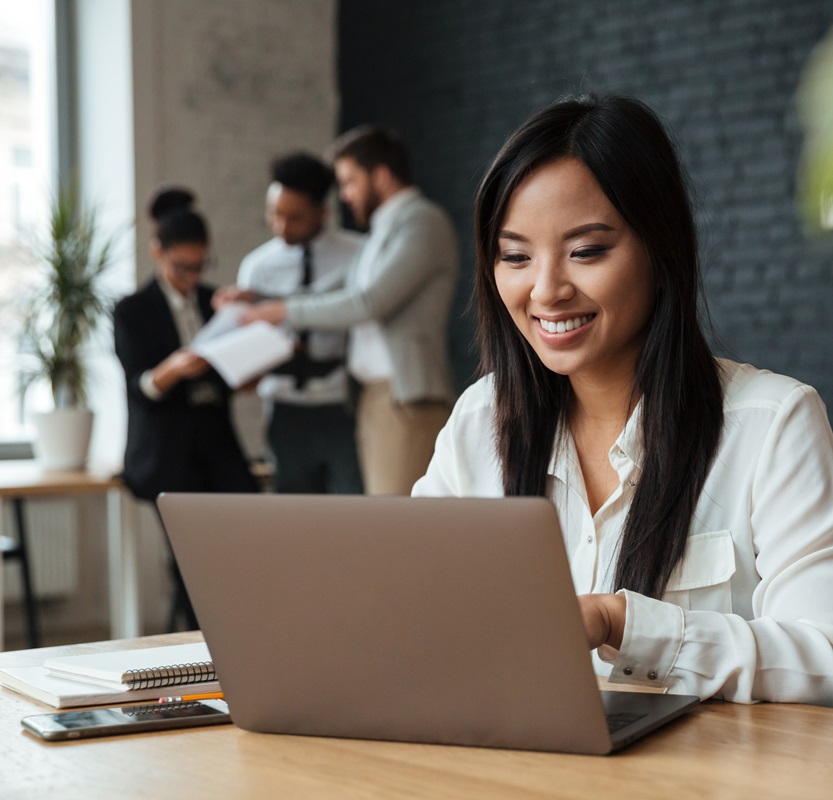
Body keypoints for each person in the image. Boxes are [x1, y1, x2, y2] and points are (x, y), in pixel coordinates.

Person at [412, 95, 833, 705]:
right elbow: (409, 610)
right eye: (515, 257)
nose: (547, 290)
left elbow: (823, 654)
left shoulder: (773, 424)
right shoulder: (482, 419)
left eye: (586, 251)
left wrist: (622, 624)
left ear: (659, 252)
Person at [240, 127, 459, 495]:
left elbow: (368, 302)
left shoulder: (422, 222)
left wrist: (281, 310)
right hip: (375, 398)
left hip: (405, 397)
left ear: (383, 176)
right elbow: (334, 290)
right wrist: (258, 300)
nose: (343, 195)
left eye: (349, 182)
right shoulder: (380, 232)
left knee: (393, 528)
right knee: (378, 523)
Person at [114, 190, 258, 628]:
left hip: (217, 445)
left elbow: (229, 377)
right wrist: (173, 369)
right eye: (182, 267)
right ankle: (201, 654)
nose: (192, 277)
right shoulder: (132, 310)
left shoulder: (216, 301)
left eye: (200, 266)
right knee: (192, 564)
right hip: (167, 450)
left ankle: (240, 638)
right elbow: (138, 389)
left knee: (245, 546)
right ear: (157, 253)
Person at [229, 153, 364, 493]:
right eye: (274, 214)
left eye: (294, 218)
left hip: (344, 408)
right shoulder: (257, 266)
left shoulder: (358, 254)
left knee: (353, 517)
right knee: (295, 521)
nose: (281, 227)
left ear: (323, 211)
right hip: (284, 411)